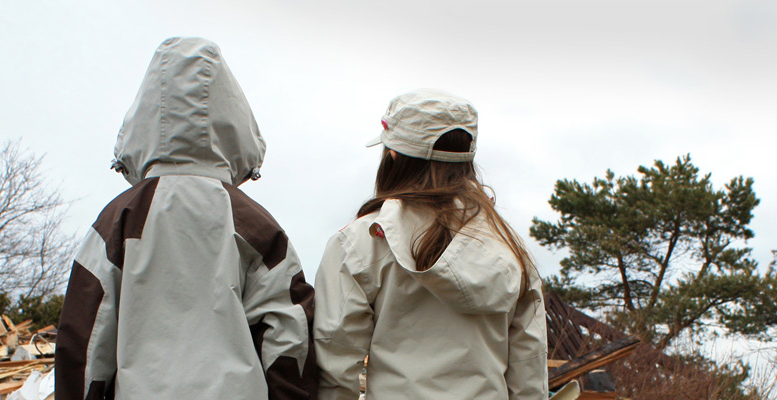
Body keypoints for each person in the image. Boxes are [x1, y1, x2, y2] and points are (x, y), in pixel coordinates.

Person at [57, 37, 317, 400]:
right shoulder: (256, 226)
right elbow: (290, 340)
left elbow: (84, 342)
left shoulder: (117, 220)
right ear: (234, 121)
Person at [313, 89, 548, 400]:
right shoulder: (508, 247)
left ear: (393, 155)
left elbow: (334, 368)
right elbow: (529, 371)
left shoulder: (361, 242)